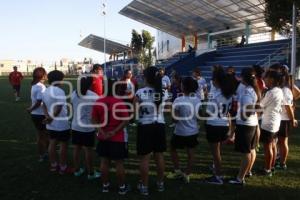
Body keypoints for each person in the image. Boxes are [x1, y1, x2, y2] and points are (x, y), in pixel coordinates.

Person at [92, 79, 130, 195]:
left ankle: (105, 186)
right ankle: (122, 187)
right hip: (117, 137)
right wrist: (114, 131)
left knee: (104, 162)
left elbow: (94, 119)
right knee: (119, 163)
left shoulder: (99, 101)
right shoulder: (119, 102)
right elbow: (126, 120)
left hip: (104, 137)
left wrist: (101, 131)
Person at [134, 66, 167, 195]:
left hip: (145, 126)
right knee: (159, 156)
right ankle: (160, 184)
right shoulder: (163, 92)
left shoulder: (140, 93)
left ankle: (144, 186)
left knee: (145, 158)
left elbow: (134, 112)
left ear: (146, 78)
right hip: (159, 125)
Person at [228, 67, 261, 185]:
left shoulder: (247, 92)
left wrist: (241, 116)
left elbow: (247, 111)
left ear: (244, 78)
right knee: (251, 150)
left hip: (246, 125)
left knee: (246, 152)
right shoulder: (252, 88)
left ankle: (240, 178)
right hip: (252, 124)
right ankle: (247, 171)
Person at [205, 66, 236, 185]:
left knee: (216, 153)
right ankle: (217, 171)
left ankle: (218, 176)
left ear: (217, 81)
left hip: (214, 125)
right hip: (223, 124)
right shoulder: (228, 93)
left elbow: (208, 112)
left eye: (213, 79)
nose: (212, 81)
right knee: (218, 152)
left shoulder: (215, 94)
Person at [168, 77, 200, 183]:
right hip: (193, 130)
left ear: (184, 87)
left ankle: (177, 170)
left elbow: (175, 120)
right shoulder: (197, 99)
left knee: (172, 148)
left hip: (181, 131)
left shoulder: (178, 100)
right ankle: (187, 174)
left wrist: (171, 110)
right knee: (191, 153)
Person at [42, 70, 72, 174]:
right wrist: (50, 117)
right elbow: (59, 107)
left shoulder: (45, 90)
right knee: (63, 145)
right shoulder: (59, 91)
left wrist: (47, 117)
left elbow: (43, 105)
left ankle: (54, 165)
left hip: (51, 124)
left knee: (52, 143)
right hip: (61, 123)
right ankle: (63, 167)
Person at [71, 76, 101, 180]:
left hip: (75, 126)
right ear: (90, 85)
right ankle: (91, 173)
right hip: (87, 128)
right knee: (88, 150)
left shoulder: (73, 94)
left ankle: (76, 170)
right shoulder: (94, 96)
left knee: (77, 148)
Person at [259, 70, 283, 177]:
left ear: (272, 80)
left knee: (268, 147)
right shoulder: (279, 90)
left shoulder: (271, 92)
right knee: (273, 145)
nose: (264, 80)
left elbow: (261, 105)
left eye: (266, 78)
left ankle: (267, 169)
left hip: (269, 123)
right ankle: (271, 166)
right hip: (275, 121)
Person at [276, 66, 298, 170]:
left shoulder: (285, 90)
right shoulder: (284, 89)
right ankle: (279, 159)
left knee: (283, 142)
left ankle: (283, 163)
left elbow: (288, 107)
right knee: (279, 142)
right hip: (280, 119)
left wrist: (292, 119)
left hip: (284, 120)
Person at [26, 67, 49, 162]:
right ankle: (43, 154)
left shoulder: (35, 85)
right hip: (40, 114)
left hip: (36, 114)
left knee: (42, 135)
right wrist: (31, 108)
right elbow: (39, 102)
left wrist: (31, 109)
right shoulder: (41, 86)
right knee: (42, 136)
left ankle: (44, 153)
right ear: (43, 75)